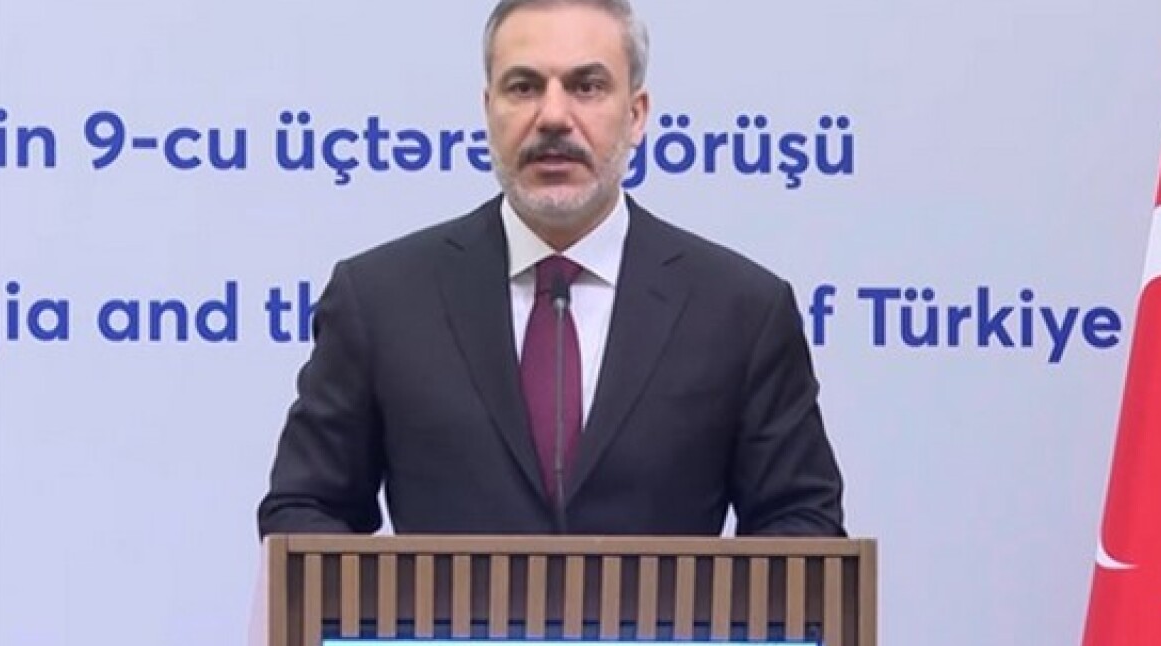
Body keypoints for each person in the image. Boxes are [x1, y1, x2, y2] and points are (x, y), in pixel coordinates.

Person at [256, 0, 846, 538]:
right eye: (524, 87)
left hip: (665, 630)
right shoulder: (382, 300)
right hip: (444, 629)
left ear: (636, 115)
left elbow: (802, 522)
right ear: (488, 110)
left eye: (587, 86)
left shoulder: (740, 311)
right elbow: (304, 508)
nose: (554, 117)